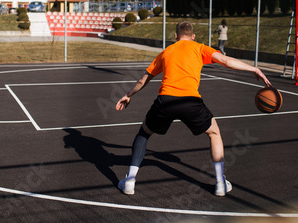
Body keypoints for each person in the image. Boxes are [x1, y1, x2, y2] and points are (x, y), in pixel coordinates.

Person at [116, 21, 271, 196]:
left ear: (175, 36)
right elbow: (226, 61)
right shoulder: (199, 48)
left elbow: (143, 80)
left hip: (165, 101)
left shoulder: (166, 52)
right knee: (214, 133)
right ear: (193, 36)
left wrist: (128, 95)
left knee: (144, 133)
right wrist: (254, 69)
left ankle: (129, 182)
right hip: (191, 102)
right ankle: (220, 183)